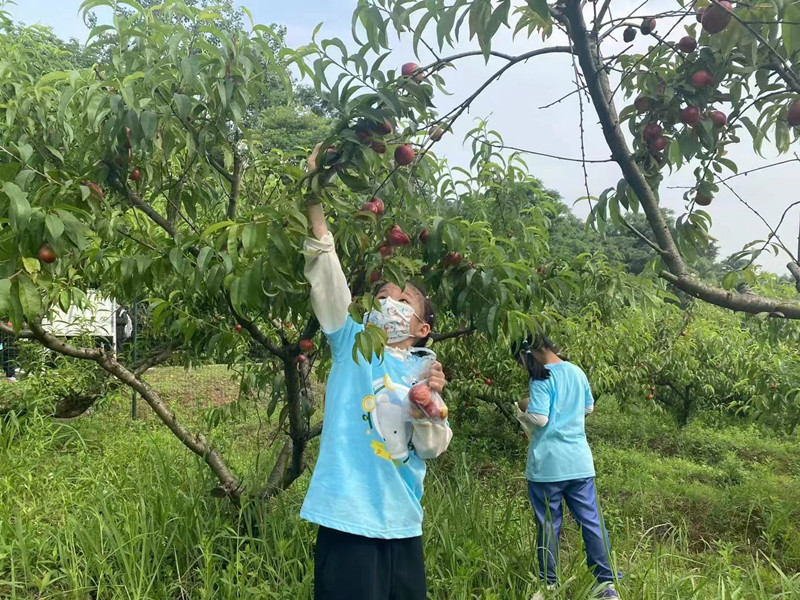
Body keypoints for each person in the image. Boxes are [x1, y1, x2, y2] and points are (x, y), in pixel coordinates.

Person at [301, 144, 453, 600]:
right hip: (349, 516)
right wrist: (314, 196)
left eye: (402, 301)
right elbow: (326, 274)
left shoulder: (424, 370)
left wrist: (429, 410)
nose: (388, 303)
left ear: (422, 328)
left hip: (403, 518)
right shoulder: (352, 342)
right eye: (382, 296)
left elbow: (432, 449)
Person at [512, 335, 619, 600]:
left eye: (521, 361)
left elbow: (540, 418)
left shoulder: (542, 378)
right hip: (580, 463)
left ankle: (548, 585)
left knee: (548, 525)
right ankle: (606, 586)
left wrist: (522, 407)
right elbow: (589, 407)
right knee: (592, 522)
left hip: (548, 465)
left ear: (529, 353)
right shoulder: (576, 371)